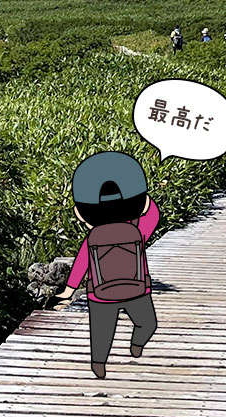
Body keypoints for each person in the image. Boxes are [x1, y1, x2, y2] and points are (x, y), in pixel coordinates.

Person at [51, 151, 161, 379]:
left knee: (101, 334)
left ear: (80, 214)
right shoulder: (139, 231)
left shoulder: (92, 238)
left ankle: (98, 364)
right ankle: (137, 344)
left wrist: (69, 291)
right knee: (148, 324)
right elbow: (153, 213)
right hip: (137, 290)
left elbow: (82, 263)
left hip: (100, 295)